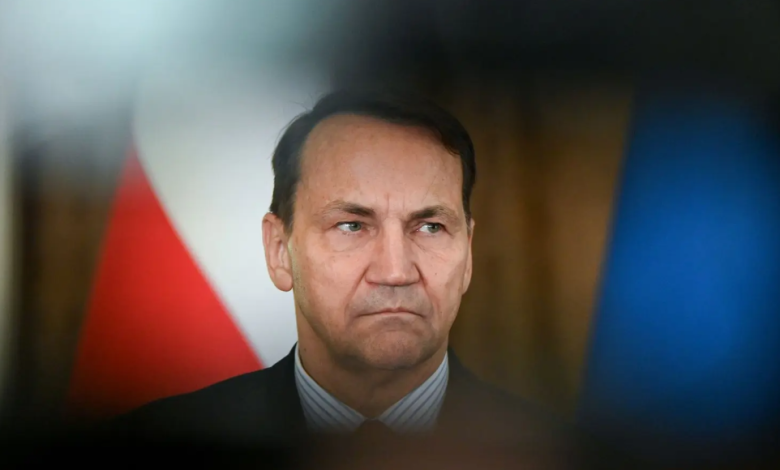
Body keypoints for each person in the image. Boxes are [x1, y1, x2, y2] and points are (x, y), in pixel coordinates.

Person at [90, 89, 590, 466]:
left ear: (469, 253)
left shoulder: (560, 455)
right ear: (279, 251)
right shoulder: (153, 448)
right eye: (352, 225)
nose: (395, 271)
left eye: (430, 227)